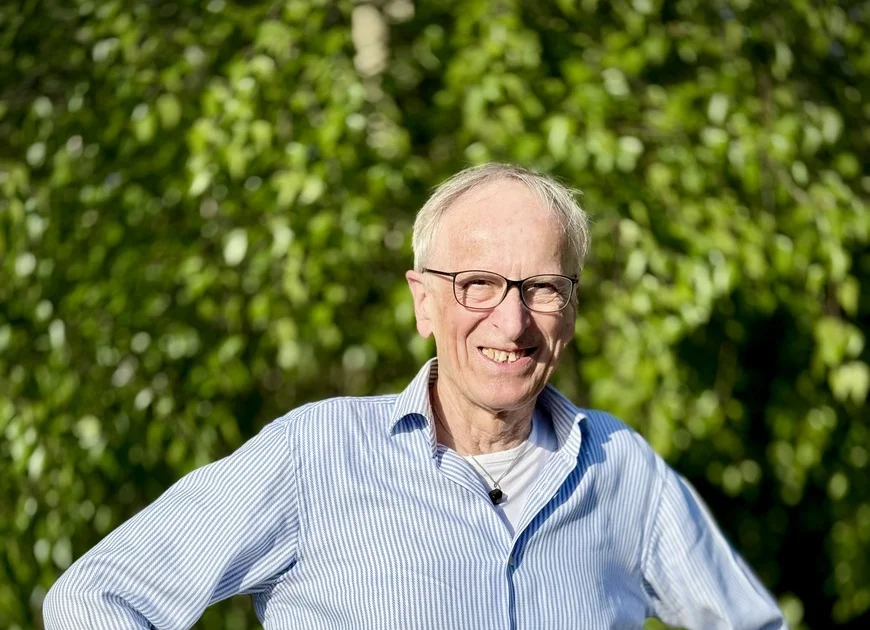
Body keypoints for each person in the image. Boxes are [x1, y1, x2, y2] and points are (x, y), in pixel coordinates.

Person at [44, 163, 786, 629]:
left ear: (572, 307)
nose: (513, 321)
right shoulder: (315, 454)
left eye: (541, 288)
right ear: (423, 302)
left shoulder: (622, 467)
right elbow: (97, 598)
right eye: (477, 285)